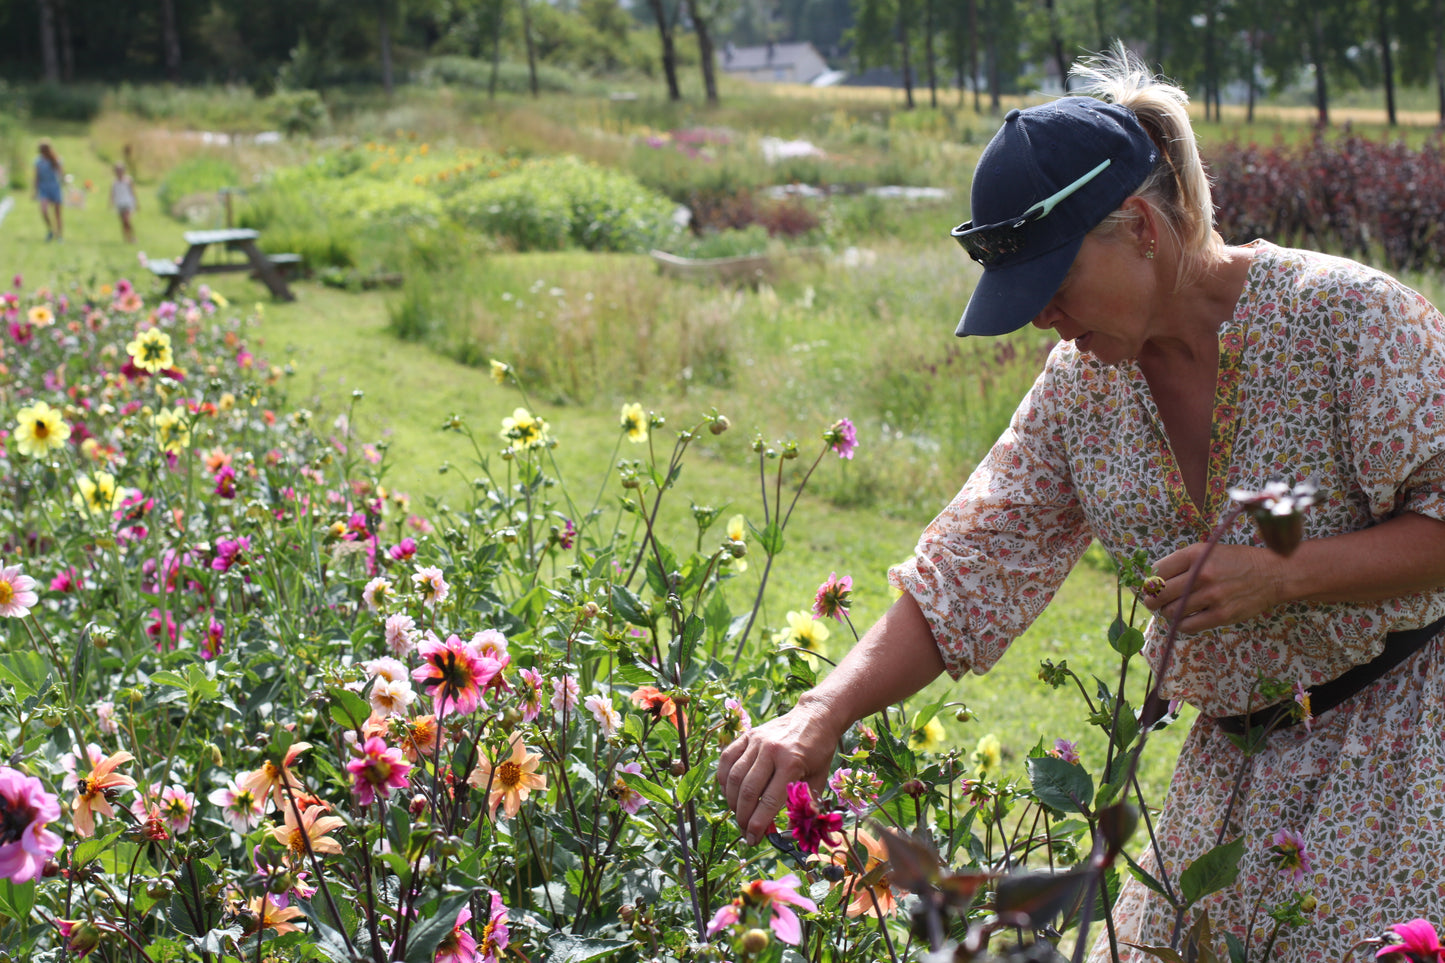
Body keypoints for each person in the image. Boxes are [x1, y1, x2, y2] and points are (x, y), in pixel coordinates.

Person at [717, 45, 1445, 963]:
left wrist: (1283, 573)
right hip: (1235, 769)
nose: (1038, 319)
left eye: (1052, 287)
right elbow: (968, 569)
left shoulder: (1347, 322)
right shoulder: (1081, 389)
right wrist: (821, 710)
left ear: (1139, 227)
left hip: (1404, 746)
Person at [32, 140, 64, 242]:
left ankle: (59, 236)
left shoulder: (56, 160)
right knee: (44, 210)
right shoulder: (38, 161)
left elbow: (61, 174)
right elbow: (37, 176)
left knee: (57, 213)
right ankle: (50, 230)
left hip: (54, 186)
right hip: (43, 187)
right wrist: (35, 190)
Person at [110, 163, 138, 243]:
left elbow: (133, 191)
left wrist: (136, 203)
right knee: (123, 222)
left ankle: (133, 236)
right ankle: (127, 237)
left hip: (128, 202)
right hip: (119, 203)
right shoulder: (114, 182)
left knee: (127, 220)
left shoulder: (128, 180)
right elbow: (113, 193)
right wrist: (111, 202)